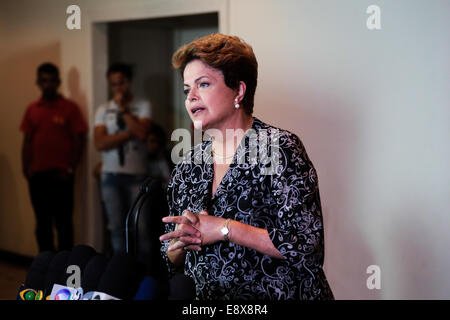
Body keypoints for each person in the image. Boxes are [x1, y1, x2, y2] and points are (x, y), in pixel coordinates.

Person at [159, 34, 334, 300]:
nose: (191, 97)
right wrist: (183, 241)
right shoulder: (188, 166)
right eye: (186, 90)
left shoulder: (278, 148)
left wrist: (223, 228)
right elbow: (171, 258)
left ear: (239, 91)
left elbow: (306, 246)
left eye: (203, 85)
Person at [20, 62, 87, 252]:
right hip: (38, 176)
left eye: (51, 81)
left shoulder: (70, 108)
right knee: (42, 224)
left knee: (64, 223)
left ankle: (64, 270)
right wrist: (26, 168)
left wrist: (71, 168)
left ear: (58, 82)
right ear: (38, 83)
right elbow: (27, 140)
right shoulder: (32, 109)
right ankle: (45, 265)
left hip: (62, 176)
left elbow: (79, 139)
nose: (47, 84)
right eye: (43, 81)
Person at [94, 62, 152, 254]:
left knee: (141, 229)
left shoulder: (143, 106)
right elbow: (100, 143)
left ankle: (145, 279)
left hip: (137, 176)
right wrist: (130, 133)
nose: (118, 88)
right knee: (116, 228)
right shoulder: (103, 109)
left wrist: (124, 110)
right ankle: (122, 276)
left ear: (129, 82)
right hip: (111, 176)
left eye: (121, 83)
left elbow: (143, 134)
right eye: (114, 84)